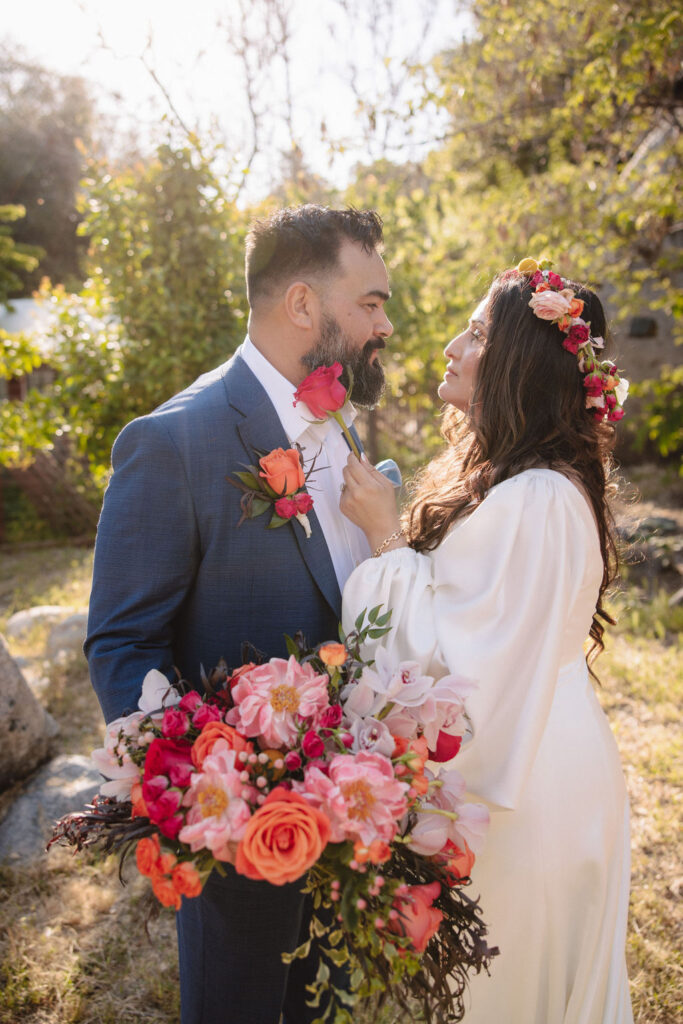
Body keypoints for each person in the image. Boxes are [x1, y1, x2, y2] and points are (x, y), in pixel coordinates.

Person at [85, 204, 394, 1024]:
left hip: (345, 828)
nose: (384, 324)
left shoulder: (343, 428)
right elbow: (121, 644)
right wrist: (197, 793)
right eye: (368, 303)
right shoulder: (173, 442)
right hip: (237, 844)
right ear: (303, 306)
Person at [339, 261, 633, 1023]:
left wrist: (380, 535)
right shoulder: (521, 483)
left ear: (518, 364)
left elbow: (459, 666)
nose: (449, 346)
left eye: (473, 334)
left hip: (529, 778)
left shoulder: (536, 497)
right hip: (537, 740)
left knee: (513, 987)